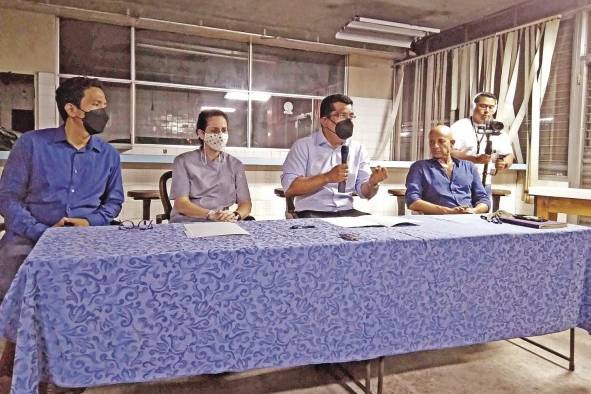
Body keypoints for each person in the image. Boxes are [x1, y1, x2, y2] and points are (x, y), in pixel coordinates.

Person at [0, 77, 124, 392]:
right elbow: (8, 199)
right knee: (18, 273)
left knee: (109, 282)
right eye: (96, 104)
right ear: (72, 109)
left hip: (85, 239)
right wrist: (42, 232)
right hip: (30, 237)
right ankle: (15, 360)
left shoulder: (108, 155)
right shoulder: (31, 144)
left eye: (104, 106)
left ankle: (81, 362)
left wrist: (90, 223)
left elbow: (113, 203)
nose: (103, 111)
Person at [281, 94, 388, 218]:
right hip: (311, 213)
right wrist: (327, 177)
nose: (348, 121)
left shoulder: (358, 149)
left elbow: (366, 193)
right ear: (325, 121)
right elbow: (290, 188)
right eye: (342, 115)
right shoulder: (303, 146)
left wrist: (372, 183)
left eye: (351, 116)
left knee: (378, 230)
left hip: (347, 212)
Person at [170, 109, 252, 222]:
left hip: (222, 223)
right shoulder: (183, 162)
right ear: (201, 134)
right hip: (189, 221)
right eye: (214, 131)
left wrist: (235, 215)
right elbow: (181, 204)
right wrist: (210, 214)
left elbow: (245, 204)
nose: (220, 135)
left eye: (224, 130)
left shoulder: (235, 165)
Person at [405, 125, 490, 215]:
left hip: (468, 219)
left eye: (441, 141)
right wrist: (449, 211)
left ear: (452, 143)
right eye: (432, 142)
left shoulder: (469, 167)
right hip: (437, 220)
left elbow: (483, 199)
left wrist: (474, 211)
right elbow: (412, 201)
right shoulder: (420, 167)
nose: (435, 146)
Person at [450, 92, 515, 181]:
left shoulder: (497, 128)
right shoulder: (460, 126)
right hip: (460, 183)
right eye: (483, 106)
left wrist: (505, 163)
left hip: (485, 183)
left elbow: (509, 155)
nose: (487, 110)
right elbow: (449, 152)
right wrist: (474, 159)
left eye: (491, 107)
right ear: (474, 106)